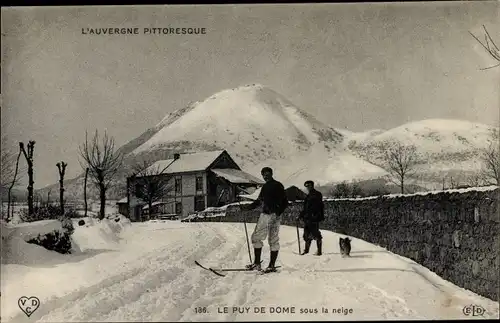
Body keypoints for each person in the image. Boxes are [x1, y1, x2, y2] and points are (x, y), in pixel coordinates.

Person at [240, 167, 288, 273]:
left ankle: (270, 265)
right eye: (263, 175)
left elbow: (285, 202)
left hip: (271, 216)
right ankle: (259, 264)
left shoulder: (277, 185)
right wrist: (247, 208)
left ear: (271, 174)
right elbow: (259, 201)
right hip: (268, 215)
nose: (265, 176)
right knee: (262, 238)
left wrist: (277, 213)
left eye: (267, 174)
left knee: (268, 239)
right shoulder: (265, 187)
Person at [298, 180, 324, 256]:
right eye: (306, 186)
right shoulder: (308, 196)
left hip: (314, 218)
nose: (307, 187)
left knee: (315, 234)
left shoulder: (317, 194)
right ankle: (306, 251)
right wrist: (300, 215)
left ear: (312, 185)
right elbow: (305, 208)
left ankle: (319, 252)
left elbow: (319, 206)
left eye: (309, 186)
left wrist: (315, 216)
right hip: (307, 218)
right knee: (306, 234)